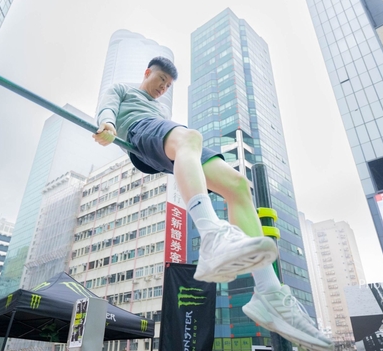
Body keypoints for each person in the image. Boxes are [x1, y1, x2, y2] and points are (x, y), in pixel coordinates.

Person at [93, 56, 332, 349]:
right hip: (141, 130)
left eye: (168, 86)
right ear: (147, 73)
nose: (163, 88)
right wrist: (107, 124)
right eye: (161, 80)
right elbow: (107, 106)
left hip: (172, 139)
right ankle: (211, 236)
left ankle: (269, 293)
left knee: (238, 185)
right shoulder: (124, 90)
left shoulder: (160, 109)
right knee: (189, 137)